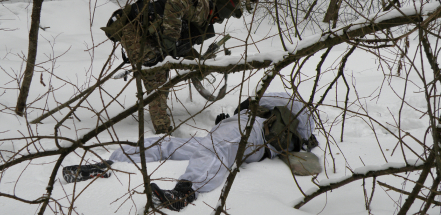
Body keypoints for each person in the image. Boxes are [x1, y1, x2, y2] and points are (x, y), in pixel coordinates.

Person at [62, 92, 316, 211]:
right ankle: (109, 163)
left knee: (218, 150)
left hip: (252, 138)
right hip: (227, 133)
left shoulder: (289, 111)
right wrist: (228, 121)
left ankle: (186, 191)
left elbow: (300, 139)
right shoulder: (260, 108)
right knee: (169, 143)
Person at [101, 0, 242, 134]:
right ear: (223, 9)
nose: (221, 20)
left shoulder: (201, 1)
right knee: (157, 79)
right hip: (133, 30)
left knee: (182, 63)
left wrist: (198, 60)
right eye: (226, 15)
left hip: (145, 32)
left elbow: (181, 36)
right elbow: (173, 5)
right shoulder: (203, 4)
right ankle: (163, 134)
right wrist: (171, 38)